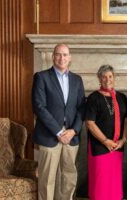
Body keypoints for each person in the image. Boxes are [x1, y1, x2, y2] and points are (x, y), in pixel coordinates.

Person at [32, 44, 85, 200]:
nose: (62, 58)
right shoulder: (41, 77)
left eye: (65, 55)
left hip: (71, 135)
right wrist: (58, 131)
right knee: (47, 178)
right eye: (58, 54)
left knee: (68, 176)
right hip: (50, 135)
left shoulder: (77, 80)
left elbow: (82, 108)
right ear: (53, 57)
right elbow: (39, 106)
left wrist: (74, 130)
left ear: (70, 58)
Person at [85, 65, 127, 200]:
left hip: (117, 147)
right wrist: (105, 141)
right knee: (100, 185)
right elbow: (90, 123)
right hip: (99, 147)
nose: (107, 79)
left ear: (114, 78)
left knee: (114, 185)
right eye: (104, 77)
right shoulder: (93, 98)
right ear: (99, 78)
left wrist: (124, 139)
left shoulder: (122, 97)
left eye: (110, 76)